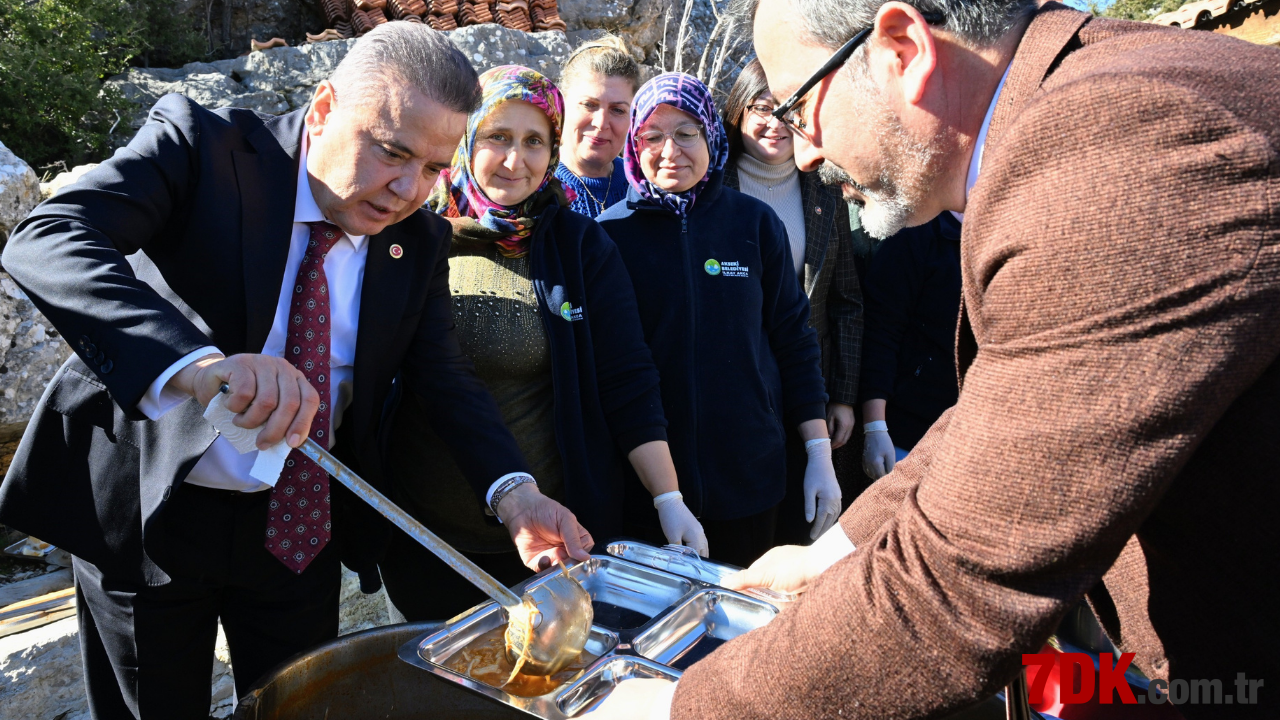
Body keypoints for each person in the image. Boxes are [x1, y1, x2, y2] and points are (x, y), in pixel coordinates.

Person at [589, 0, 1280, 717]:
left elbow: (957, 584)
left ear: (901, 49)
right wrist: (833, 550)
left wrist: (676, 709)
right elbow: (1008, 411)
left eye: (799, 108)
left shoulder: (1115, 153)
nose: (804, 154)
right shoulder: (1083, 111)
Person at [0, 25, 592, 719]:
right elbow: (52, 237)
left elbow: (445, 380)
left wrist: (515, 495)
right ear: (323, 107)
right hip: (151, 511)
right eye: (391, 150)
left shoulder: (419, 239)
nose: (407, 189)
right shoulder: (204, 147)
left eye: (434, 167)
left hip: (296, 524)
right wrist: (198, 365)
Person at [379, 65, 706, 621]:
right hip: (426, 534)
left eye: (535, 142)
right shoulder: (412, 236)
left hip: (549, 539)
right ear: (466, 138)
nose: (516, 160)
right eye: (498, 137)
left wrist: (667, 497)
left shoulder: (580, 247)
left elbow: (626, 378)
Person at [596, 72, 840, 569]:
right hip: (648, 491)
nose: (670, 150)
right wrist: (665, 497)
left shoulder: (753, 223)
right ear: (634, 144)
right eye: (653, 135)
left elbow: (794, 340)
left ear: (710, 133)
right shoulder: (606, 237)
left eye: (687, 132)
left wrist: (818, 454)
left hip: (753, 477)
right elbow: (617, 373)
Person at [720, 58, 863, 544]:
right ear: (738, 110)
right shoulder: (710, 187)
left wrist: (843, 394)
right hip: (737, 390)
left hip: (810, 387)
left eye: (789, 109)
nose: (774, 122)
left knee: (802, 526)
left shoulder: (824, 190)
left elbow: (846, 298)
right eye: (762, 107)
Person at [858, 211, 962, 479]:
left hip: (973, 437)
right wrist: (875, 426)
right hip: (907, 437)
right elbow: (880, 330)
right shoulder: (916, 234)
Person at [552, 34, 638, 218]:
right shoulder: (532, 188)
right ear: (561, 105)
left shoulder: (643, 187)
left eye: (618, 110)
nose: (601, 123)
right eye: (589, 105)